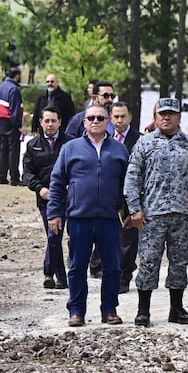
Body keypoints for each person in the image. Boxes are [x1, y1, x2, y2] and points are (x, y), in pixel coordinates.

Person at [124, 97, 188, 327]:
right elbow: (132, 177)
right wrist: (134, 209)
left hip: (181, 215)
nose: (166, 117)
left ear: (179, 117)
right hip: (152, 216)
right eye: (162, 114)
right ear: (156, 117)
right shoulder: (144, 144)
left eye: (171, 114)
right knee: (149, 262)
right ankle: (143, 310)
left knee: (179, 263)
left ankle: (176, 309)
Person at [46, 103, 130, 326]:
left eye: (100, 118)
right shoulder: (70, 148)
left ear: (108, 121)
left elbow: (128, 184)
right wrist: (54, 213)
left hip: (109, 219)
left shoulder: (119, 150)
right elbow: (56, 182)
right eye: (91, 118)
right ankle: (76, 311)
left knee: (112, 267)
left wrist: (129, 212)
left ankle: (109, 310)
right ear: (84, 122)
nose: (95, 121)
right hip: (78, 218)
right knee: (77, 267)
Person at [22, 106, 71, 289]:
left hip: (69, 199)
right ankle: (56, 276)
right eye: (46, 121)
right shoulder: (33, 145)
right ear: (41, 123)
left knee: (69, 237)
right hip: (46, 200)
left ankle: (54, 273)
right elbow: (26, 174)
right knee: (53, 235)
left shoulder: (71, 143)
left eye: (53, 121)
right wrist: (39, 188)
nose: (50, 124)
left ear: (60, 122)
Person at [109, 102, 142, 294]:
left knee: (128, 240)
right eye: (115, 117)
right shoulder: (105, 139)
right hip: (108, 196)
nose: (119, 120)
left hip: (131, 197)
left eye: (123, 116)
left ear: (130, 117)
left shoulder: (140, 140)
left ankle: (124, 276)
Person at [0, 66, 24, 184]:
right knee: (13, 150)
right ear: (17, 76)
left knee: (2, 150)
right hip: (11, 123)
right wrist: (19, 126)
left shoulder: (1, 86)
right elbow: (15, 110)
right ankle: (14, 177)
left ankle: (2, 176)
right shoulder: (14, 89)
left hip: (1, 122)